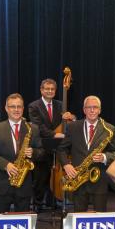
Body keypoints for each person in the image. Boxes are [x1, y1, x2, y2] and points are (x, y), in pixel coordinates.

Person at [58, 96, 115, 212]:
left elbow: (114, 153)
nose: (92, 110)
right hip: (78, 179)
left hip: (99, 180)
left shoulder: (109, 129)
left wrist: (104, 157)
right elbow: (61, 149)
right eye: (89, 107)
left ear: (99, 110)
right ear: (84, 110)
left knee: (100, 218)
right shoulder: (72, 127)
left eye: (95, 107)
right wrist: (66, 165)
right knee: (79, 217)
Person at [0, 93, 42, 214]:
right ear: (6, 108)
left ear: (23, 108)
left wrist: (34, 152)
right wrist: (6, 165)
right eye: (12, 106)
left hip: (24, 185)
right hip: (1, 185)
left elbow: (41, 152)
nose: (16, 110)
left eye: (19, 106)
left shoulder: (33, 129)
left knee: (23, 223)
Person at [26, 78, 75, 209]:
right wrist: (54, 134)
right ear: (41, 90)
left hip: (58, 147)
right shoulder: (33, 106)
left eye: (52, 89)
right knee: (40, 177)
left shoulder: (61, 105)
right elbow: (38, 126)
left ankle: (52, 202)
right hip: (42, 145)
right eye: (47, 89)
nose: (50, 91)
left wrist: (71, 118)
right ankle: (37, 204)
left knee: (54, 175)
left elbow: (71, 123)